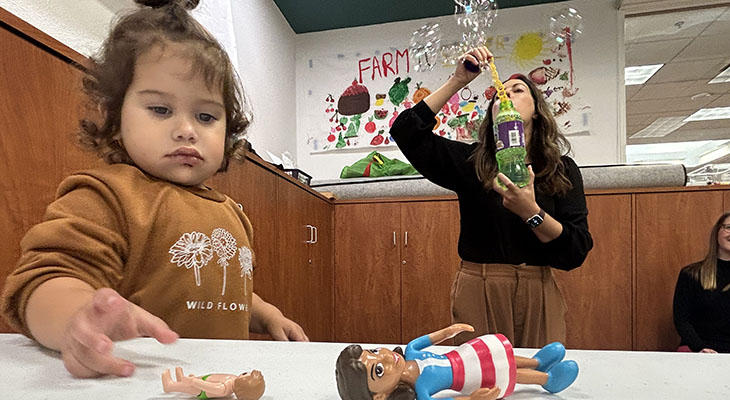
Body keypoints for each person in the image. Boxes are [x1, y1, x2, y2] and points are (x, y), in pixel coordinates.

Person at [0, 0, 307, 379]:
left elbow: (220, 294)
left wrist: (266, 314)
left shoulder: (232, 213)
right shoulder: (106, 196)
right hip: (137, 382)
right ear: (114, 117)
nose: (187, 129)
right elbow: (43, 280)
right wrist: (74, 320)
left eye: (206, 116)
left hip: (218, 381)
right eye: (160, 110)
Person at [389, 46, 593, 347]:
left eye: (518, 89)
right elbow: (405, 131)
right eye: (498, 94)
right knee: (482, 384)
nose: (505, 95)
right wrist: (458, 81)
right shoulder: (473, 162)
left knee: (537, 383)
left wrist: (532, 214)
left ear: (537, 110)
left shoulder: (560, 169)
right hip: (478, 286)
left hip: (539, 289)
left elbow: (575, 251)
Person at [335, 323, 579, 400]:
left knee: (502, 356)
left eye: (376, 351)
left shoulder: (411, 350)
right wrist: (472, 399)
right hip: (469, 377)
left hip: (465, 354)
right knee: (507, 371)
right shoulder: (422, 389)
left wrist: (450, 330)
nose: (386, 357)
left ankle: (537, 362)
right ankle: (548, 380)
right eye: (378, 369)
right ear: (379, 397)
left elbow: (434, 337)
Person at [673, 211, 730, 353]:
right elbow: (681, 320)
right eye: (729, 227)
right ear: (717, 231)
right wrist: (701, 348)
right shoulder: (691, 274)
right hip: (698, 351)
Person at [162, 367, 265, 399]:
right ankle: (181, 380)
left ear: (242, 383)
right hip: (204, 379)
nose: (244, 373)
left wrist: (194, 381)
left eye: (245, 374)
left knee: (183, 387)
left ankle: (170, 385)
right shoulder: (233, 380)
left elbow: (212, 387)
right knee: (186, 383)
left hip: (200, 389)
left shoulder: (224, 388)